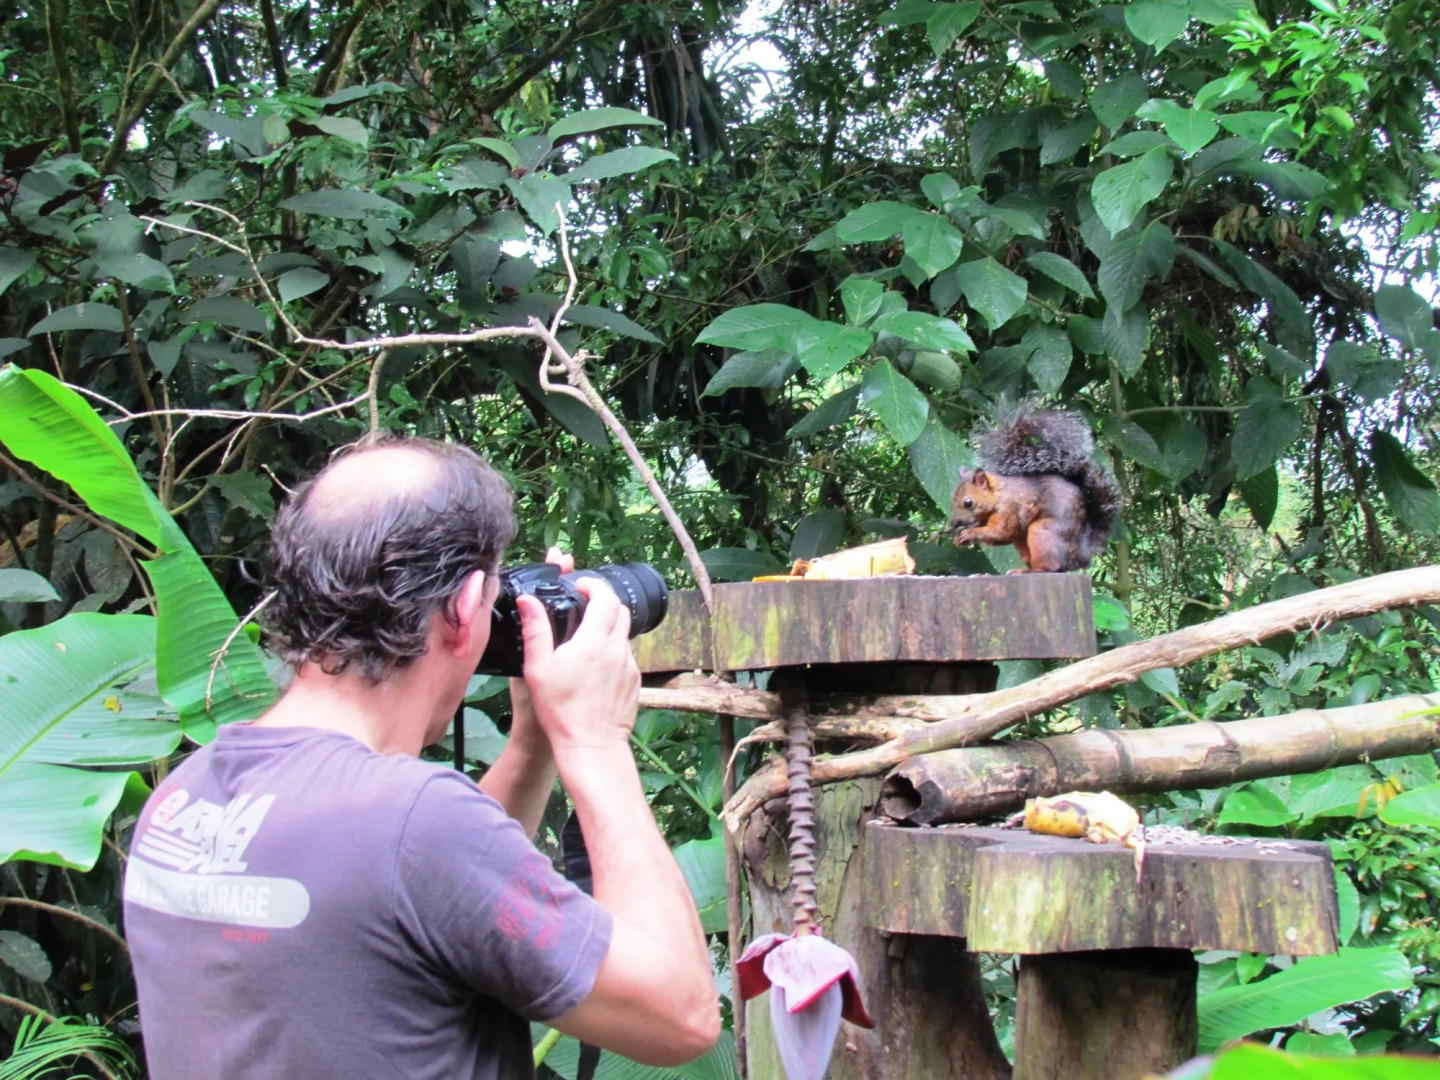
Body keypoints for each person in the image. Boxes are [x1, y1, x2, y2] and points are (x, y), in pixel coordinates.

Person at [122, 437, 721, 1079]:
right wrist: (594, 738)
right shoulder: (415, 827)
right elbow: (681, 1015)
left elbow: (415, 901)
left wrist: (532, 740)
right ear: (465, 609)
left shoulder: (184, 798)